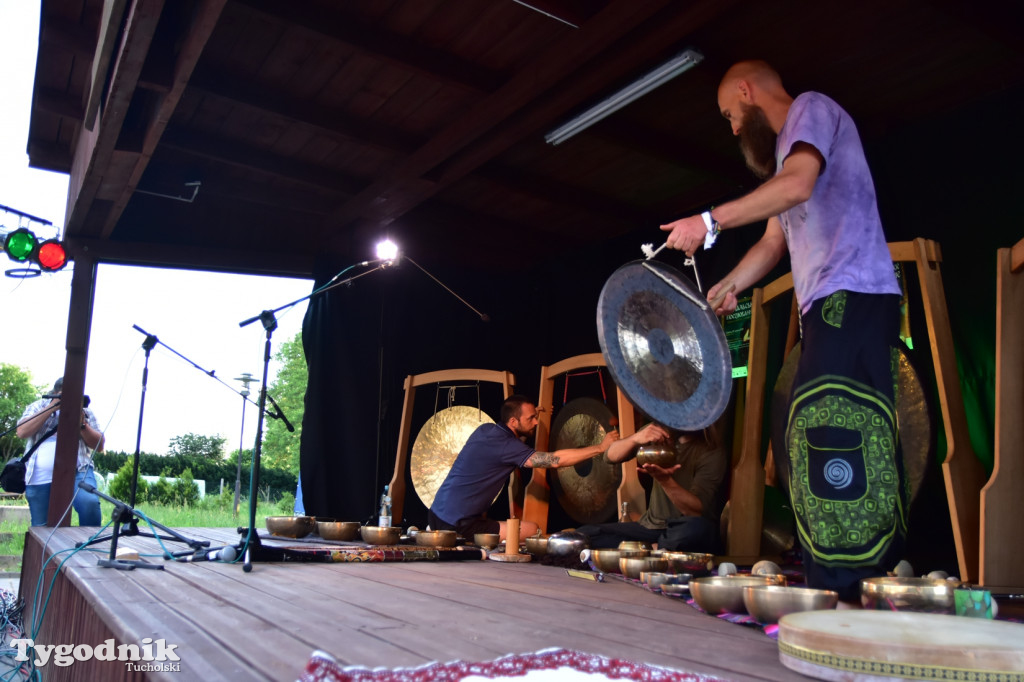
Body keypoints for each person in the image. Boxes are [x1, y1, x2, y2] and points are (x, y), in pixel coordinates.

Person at [660, 60, 906, 602]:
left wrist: (709, 221)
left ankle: (846, 587)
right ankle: (842, 583)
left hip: (853, 296)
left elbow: (797, 187)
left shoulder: (811, 109)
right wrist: (726, 288)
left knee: (835, 429)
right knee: (815, 429)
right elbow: (774, 244)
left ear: (747, 92)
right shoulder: (785, 156)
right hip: (827, 305)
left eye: (729, 113)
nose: (730, 127)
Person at [429, 395, 619, 542]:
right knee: (532, 530)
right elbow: (554, 461)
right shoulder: (507, 447)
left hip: (436, 514)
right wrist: (601, 447)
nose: (536, 422)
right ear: (513, 422)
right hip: (458, 525)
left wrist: (531, 413)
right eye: (531, 418)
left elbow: (512, 445)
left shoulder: (486, 430)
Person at [577, 422, 727, 553]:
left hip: (684, 530)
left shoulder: (712, 451)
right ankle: (653, 550)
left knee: (698, 529)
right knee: (586, 535)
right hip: (650, 529)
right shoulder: (655, 432)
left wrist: (665, 480)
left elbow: (695, 510)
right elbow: (610, 456)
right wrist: (637, 438)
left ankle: (643, 551)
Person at [16, 377, 104, 526]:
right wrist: (51, 408)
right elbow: (22, 432)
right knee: (41, 526)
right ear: (55, 393)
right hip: (39, 476)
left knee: (89, 503)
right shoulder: (38, 406)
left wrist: (82, 424)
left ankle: (90, 546)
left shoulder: (86, 412)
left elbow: (99, 446)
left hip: (79, 470)